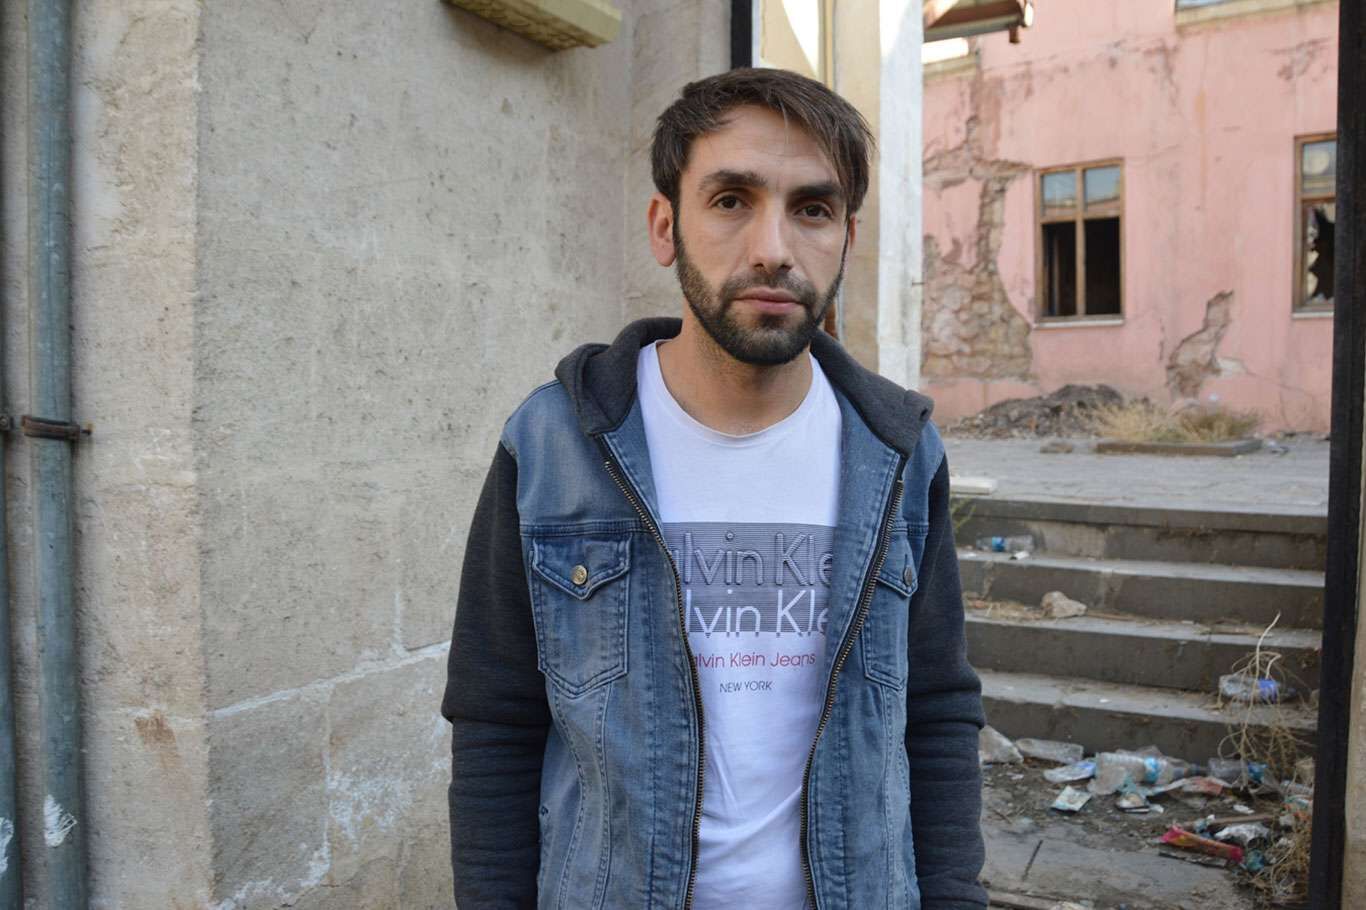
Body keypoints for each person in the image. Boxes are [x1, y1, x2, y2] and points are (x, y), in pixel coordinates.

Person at [442, 67, 986, 910]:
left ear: (846, 236)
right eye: (731, 200)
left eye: (812, 209)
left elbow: (939, 712)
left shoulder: (899, 454)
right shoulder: (553, 444)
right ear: (666, 227)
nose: (773, 247)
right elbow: (496, 724)